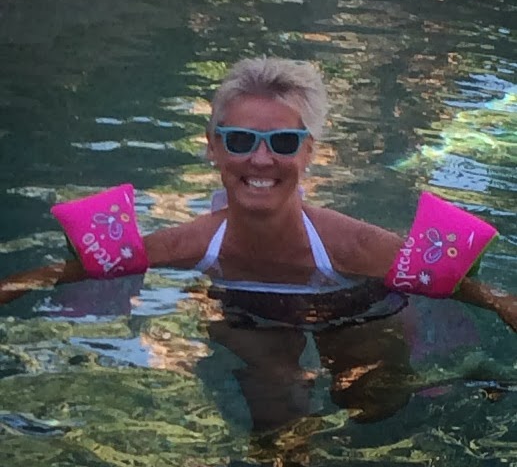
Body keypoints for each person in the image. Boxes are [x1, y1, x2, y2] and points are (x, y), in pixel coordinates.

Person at [0, 56, 515, 335]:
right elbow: (80, 270)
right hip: (248, 314)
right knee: (273, 422)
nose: (261, 160)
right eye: (240, 140)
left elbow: (469, 290)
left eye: (283, 142)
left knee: (373, 406)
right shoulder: (192, 243)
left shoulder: (353, 247)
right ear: (213, 147)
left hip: (355, 310)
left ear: (308, 152)